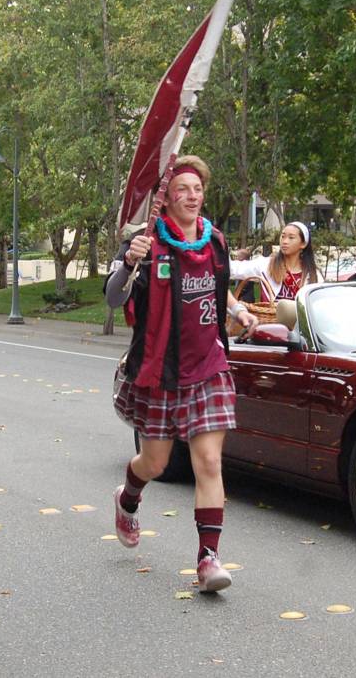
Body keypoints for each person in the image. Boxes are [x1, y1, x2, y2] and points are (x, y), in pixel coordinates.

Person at [105, 155, 258, 594]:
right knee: (154, 461)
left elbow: (218, 283)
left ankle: (208, 558)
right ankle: (128, 497)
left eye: (197, 189)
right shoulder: (145, 243)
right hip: (161, 370)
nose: (192, 197)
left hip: (208, 366)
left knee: (208, 461)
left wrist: (238, 309)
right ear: (167, 199)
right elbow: (115, 298)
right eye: (183, 190)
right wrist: (129, 263)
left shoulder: (215, 242)